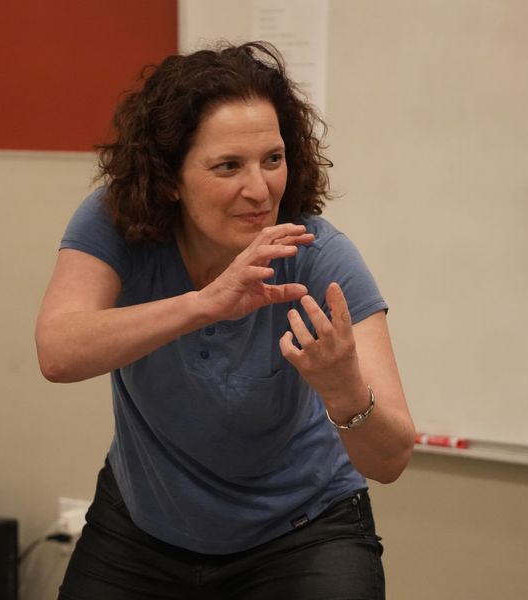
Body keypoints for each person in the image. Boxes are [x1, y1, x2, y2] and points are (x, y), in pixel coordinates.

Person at [35, 40, 415, 600]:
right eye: (228, 166)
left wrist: (345, 392)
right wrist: (204, 303)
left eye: (272, 159)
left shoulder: (318, 254)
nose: (259, 190)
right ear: (170, 177)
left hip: (301, 531)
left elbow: (392, 458)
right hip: (144, 526)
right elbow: (57, 351)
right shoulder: (116, 223)